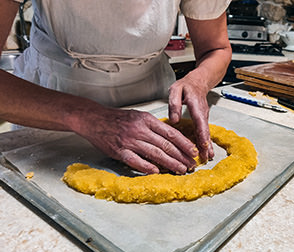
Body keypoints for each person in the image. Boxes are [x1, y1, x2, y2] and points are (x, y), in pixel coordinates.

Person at [0, 0, 232, 174]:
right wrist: (89, 118)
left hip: (154, 102)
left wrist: (199, 80)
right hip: (51, 105)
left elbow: (216, 49)